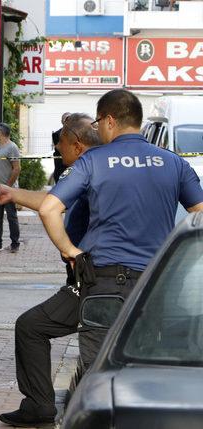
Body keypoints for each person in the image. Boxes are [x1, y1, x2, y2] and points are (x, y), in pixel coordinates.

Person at [39, 89, 203, 384]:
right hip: (155, 285)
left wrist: (70, 251)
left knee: (98, 378)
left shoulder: (93, 161)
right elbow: (200, 215)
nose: (97, 129)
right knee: (147, 372)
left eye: (97, 122)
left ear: (110, 120)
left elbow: (50, 209)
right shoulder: (174, 163)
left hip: (104, 282)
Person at [0, 113, 101, 427]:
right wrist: (12, 193)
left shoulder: (84, 167)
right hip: (112, 275)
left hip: (91, 277)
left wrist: (69, 251)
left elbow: (50, 207)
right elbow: (53, 198)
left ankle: (42, 405)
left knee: (32, 327)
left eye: (61, 148)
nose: (59, 155)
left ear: (76, 146)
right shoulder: (106, 165)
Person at [0, 123, 21, 253]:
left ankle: (15, 243)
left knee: (11, 217)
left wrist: (8, 187)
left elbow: (17, 168)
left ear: (0, 132)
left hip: (8, 190)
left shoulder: (12, 147)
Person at [51, 112, 71, 183]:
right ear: (62, 121)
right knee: (60, 178)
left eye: (70, 119)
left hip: (72, 163)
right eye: (66, 119)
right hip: (61, 162)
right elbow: (59, 148)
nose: (68, 121)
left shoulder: (77, 133)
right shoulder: (56, 134)